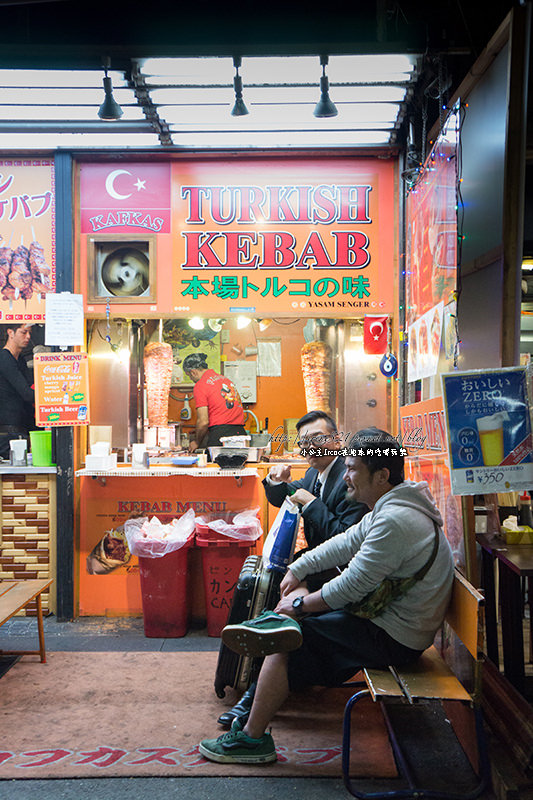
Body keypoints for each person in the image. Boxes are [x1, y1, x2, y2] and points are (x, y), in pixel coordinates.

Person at [199, 427, 454, 764]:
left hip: (396, 637)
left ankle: (252, 738)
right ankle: (260, 677)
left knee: (286, 637)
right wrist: (299, 568)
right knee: (294, 622)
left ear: (381, 475)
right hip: (387, 622)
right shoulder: (392, 505)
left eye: (352, 469)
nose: (346, 476)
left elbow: (351, 585)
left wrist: (301, 602)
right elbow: (346, 542)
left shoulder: (395, 519)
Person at [216, 409, 368, 729]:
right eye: (305, 443)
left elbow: (345, 540)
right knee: (278, 590)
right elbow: (282, 495)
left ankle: (254, 689)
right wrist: (275, 479)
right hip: (321, 566)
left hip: (342, 573)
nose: (310, 449)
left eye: (317, 440)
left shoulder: (349, 476)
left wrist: (311, 503)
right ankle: (261, 657)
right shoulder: (317, 473)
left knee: (285, 607)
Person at [183, 353, 246, 452]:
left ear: (193, 372)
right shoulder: (224, 379)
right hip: (241, 434)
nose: (192, 379)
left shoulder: (201, 385)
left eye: (189, 376)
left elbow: (203, 422)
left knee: (213, 467)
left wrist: (196, 442)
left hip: (221, 437)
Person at [0, 323, 35, 460]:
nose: (28, 337)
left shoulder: (19, 360)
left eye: (30, 333)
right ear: (10, 333)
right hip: (7, 433)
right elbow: (27, 394)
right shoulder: (4, 358)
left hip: (19, 429)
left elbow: (29, 389)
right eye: (23, 332)